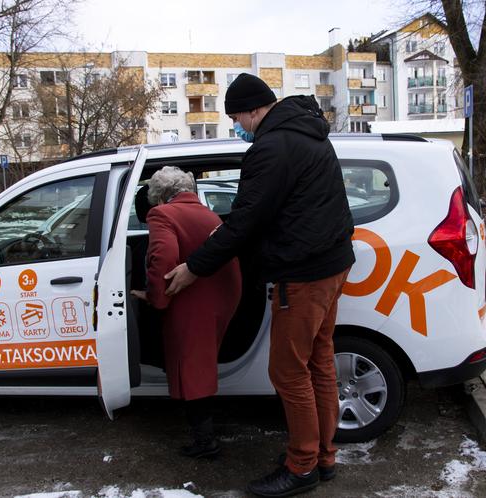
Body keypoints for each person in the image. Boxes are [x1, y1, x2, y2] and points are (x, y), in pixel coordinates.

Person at [164, 73, 355, 496]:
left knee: (287, 371)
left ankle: (301, 466)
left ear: (254, 109)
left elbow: (246, 223)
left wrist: (195, 266)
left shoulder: (271, 148)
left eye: (236, 117)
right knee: (319, 363)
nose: (237, 125)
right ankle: (323, 457)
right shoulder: (309, 134)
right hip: (333, 264)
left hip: (302, 274)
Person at [132, 166, 242, 459]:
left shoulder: (162, 215)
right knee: (198, 361)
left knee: (193, 366)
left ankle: (206, 442)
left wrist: (155, 298)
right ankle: (204, 434)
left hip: (196, 297)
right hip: (222, 294)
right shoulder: (208, 212)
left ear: (159, 196)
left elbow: (162, 258)